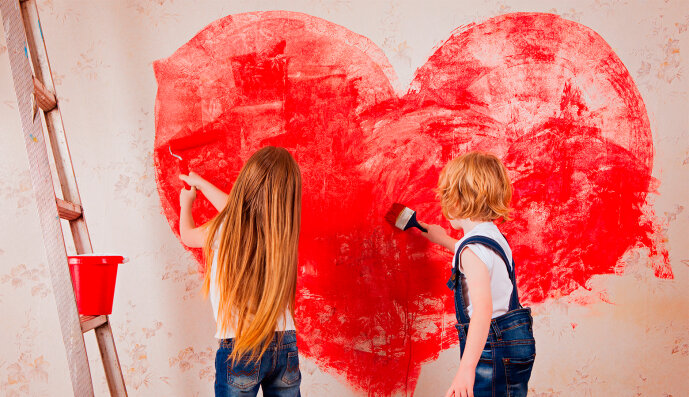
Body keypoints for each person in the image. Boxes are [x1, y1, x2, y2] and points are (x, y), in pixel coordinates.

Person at [178, 146, 302, 397]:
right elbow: (239, 209)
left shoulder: (227, 228)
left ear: (245, 183)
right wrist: (201, 183)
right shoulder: (284, 231)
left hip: (240, 345)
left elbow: (188, 236)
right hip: (285, 341)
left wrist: (186, 204)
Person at [419, 151, 535, 397]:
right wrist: (444, 240)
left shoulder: (471, 251)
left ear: (458, 201)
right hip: (513, 343)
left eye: (446, 196)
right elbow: (477, 258)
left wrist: (466, 369)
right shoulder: (491, 238)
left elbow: (482, 310)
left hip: (491, 349)